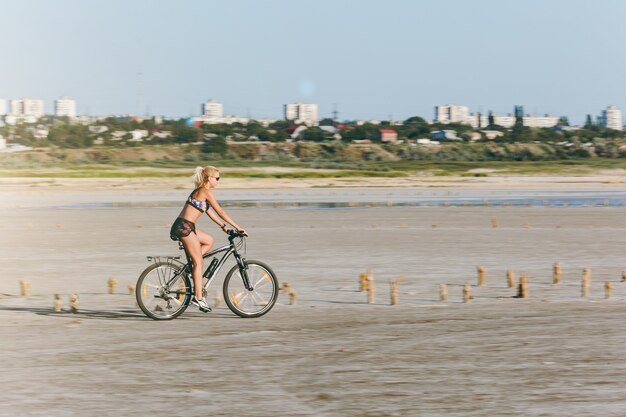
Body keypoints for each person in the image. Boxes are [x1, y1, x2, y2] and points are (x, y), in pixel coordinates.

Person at [169, 165, 246, 311]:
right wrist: (238, 227)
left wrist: (224, 227)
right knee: (199, 263)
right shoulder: (204, 191)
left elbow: (211, 213)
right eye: (217, 178)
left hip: (185, 226)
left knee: (209, 240)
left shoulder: (200, 192)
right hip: (184, 227)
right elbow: (221, 211)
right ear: (208, 178)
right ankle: (198, 298)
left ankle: (192, 266)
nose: (219, 181)